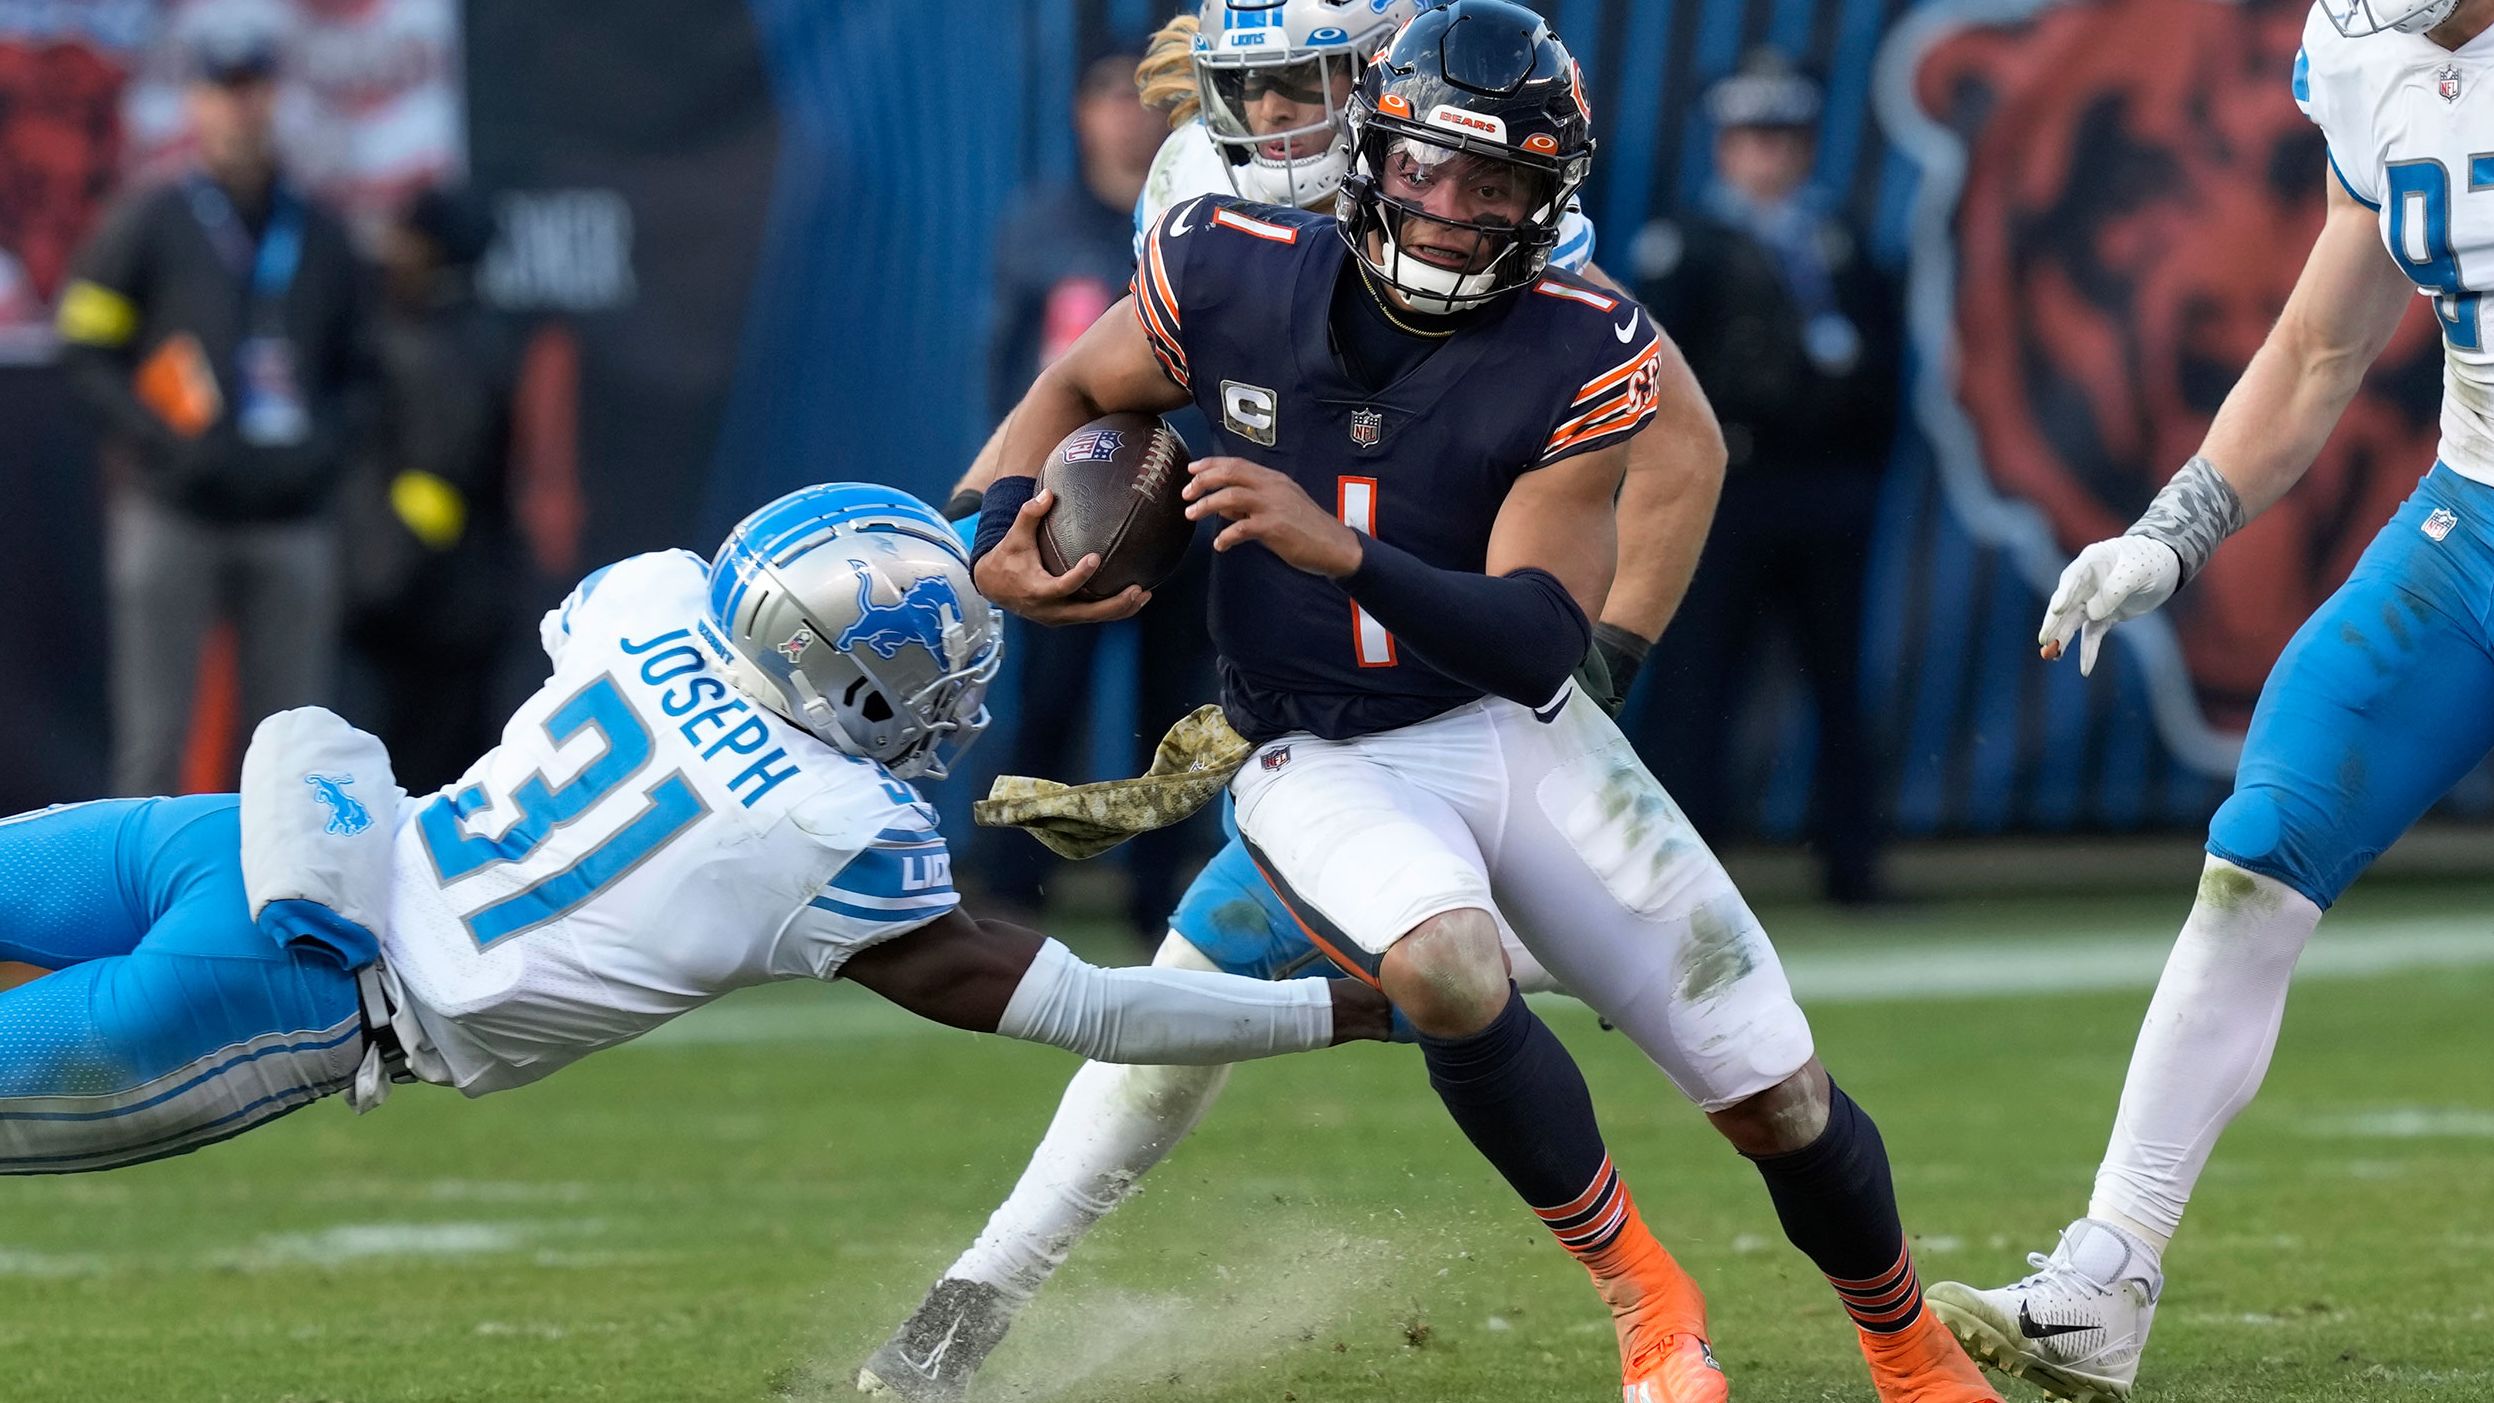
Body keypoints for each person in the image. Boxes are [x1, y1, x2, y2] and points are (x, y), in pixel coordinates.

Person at [897, 9, 2000, 1403]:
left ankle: (1911, 1347)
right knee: (1403, 967)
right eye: (1423, 172)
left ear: (1544, 204)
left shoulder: (1574, 332)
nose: (1450, 213)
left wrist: (1390, 566)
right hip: (1311, 742)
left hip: (1498, 714)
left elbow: (1555, 614)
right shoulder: (1213, 245)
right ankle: (1644, 1296)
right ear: (1371, 146)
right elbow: (1079, 382)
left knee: (1774, 1087)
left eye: (1493, 193)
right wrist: (1001, 515)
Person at [0, 483, 1392, 1176]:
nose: (956, 690)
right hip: (300, 982)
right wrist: (1359, 1011)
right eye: (934, 664)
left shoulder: (655, 600)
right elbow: (1095, 1004)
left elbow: (820, 587)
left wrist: (964, 543)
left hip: (237, 832)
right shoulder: (833, 827)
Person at [1924, 1, 2494, 1397]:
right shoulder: (2366, 51)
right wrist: (2167, 534)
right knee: (2260, 846)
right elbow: (2318, 343)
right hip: (2473, 524)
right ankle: (2105, 1273)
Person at [55, 30, 376, 797]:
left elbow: (365, 372)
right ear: (198, 104)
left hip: (290, 516)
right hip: (173, 510)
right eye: (223, 90)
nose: (239, 108)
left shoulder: (322, 231)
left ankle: (284, 906)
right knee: (155, 737)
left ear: (273, 99)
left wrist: (322, 450)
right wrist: (159, 439)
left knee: (292, 742)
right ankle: (135, 908)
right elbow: (84, 346)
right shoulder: (152, 218)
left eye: (253, 89)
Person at [1630, 49, 1901, 905]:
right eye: (1753, 135)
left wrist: (1860, 467)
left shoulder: (1840, 237)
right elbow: (1656, 377)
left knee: (1838, 680)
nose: (1769, 155)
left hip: (1825, 491)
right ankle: (1689, 870)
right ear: (1724, 143)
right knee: (1700, 679)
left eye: (1785, 136)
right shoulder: (1686, 245)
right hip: (1727, 491)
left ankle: (1853, 865)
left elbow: (1889, 367)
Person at [978, 48, 1213, 949]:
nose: (1130, 115)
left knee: (1177, 708)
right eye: (1112, 96)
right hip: (1061, 500)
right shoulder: (1042, 226)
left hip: (1180, 492)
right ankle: (1013, 884)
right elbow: (1020, 372)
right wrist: (1002, 491)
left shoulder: (1198, 228)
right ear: (1079, 113)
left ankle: (1160, 895)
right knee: (1046, 701)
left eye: (1145, 99)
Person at [344, 184, 525, 794]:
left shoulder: (453, 345)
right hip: (415, 613)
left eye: (405, 236)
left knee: (427, 784)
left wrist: (382, 574)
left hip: (434, 615)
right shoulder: (406, 324)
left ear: (435, 250)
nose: (388, 248)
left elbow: (439, 483)